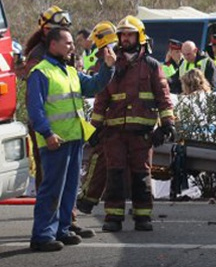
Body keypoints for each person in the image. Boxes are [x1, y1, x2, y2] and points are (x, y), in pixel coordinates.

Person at [27, 27, 116, 251]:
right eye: (67, 43)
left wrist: (108, 67)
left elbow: (95, 85)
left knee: (69, 187)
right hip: (55, 141)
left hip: (74, 138)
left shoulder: (70, 71)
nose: (72, 47)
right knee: (52, 189)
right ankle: (42, 236)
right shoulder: (41, 73)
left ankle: (62, 229)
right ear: (53, 45)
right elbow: (35, 110)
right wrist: (47, 133)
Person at [91, 15, 176, 232]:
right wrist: (95, 127)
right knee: (115, 173)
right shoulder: (109, 64)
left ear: (140, 37)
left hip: (142, 133)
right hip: (114, 132)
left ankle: (143, 216)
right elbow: (101, 97)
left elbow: (163, 96)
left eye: (130, 34)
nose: (126, 38)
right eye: (123, 35)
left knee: (141, 175)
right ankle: (113, 217)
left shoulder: (151, 66)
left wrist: (168, 124)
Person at [22, 5, 94, 238]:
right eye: (60, 30)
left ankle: (64, 224)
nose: (68, 39)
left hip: (71, 133)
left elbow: (82, 85)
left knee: (70, 183)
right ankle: (45, 232)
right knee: (52, 183)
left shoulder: (63, 60)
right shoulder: (39, 60)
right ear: (48, 34)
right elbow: (37, 103)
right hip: (51, 132)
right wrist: (46, 131)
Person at [76, 21, 119, 215]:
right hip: (122, 120)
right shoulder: (117, 56)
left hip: (113, 121)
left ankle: (87, 200)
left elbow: (101, 96)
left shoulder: (108, 58)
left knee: (100, 160)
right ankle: (88, 200)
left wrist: (94, 126)